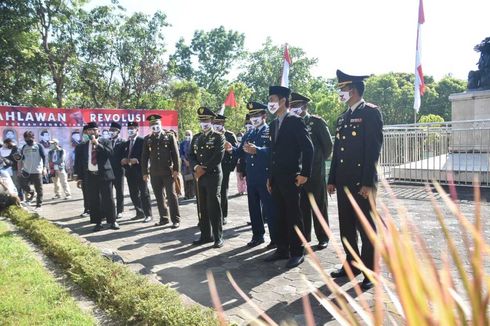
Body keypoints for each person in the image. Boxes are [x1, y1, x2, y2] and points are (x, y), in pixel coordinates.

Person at [327, 69, 383, 290]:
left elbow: (373, 150)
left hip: (362, 183)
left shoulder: (370, 113)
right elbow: (338, 153)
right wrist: (331, 179)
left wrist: (368, 182)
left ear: (354, 90)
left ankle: (370, 271)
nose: (340, 92)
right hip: (343, 182)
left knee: (367, 227)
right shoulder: (343, 117)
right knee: (347, 226)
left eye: (343, 88)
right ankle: (351, 264)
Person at [265, 86, 314, 268]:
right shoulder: (273, 124)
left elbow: (308, 148)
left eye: (273, 99)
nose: (270, 103)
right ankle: (282, 248)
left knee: (294, 215)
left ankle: (297, 251)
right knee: (279, 215)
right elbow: (273, 153)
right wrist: (270, 177)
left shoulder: (295, 121)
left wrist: (304, 173)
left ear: (283, 101)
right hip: (277, 178)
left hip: (292, 177)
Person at [227, 102, 278, 248]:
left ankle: (275, 238)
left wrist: (258, 150)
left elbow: (274, 152)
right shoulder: (249, 133)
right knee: (253, 207)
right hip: (252, 177)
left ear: (264, 116)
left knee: (269, 209)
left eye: (257, 115)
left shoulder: (270, 131)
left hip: (265, 176)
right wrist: (231, 149)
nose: (254, 118)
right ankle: (258, 235)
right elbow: (240, 152)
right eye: (252, 116)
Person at [290, 92, 333, 250]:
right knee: (302, 207)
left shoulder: (316, 122)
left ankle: (323, 236)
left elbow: (328, 146)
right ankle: (305, 236)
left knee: (319, 206)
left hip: (315, 173)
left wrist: (318, 161)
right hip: (298, 173)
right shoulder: (291, 123)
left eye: (297, 105)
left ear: (305, 106)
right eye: (291, 105)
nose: (294, 108)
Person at [189, 107, 225, 248]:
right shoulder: (197, 137)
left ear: (212, 120)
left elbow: (218, 156)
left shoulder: (218, 137)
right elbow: (191, 155)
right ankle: (205, 236)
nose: (204, 122)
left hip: (213, 175)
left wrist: (204, 169)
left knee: (213, 206)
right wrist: (196, 167)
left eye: (207, 120)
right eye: (201, 120)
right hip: (200, 175)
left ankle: (218, 237)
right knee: (202, 206)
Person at [75, 122, 119, 231]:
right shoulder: (82, 146)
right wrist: (79, 177)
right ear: (86, 132)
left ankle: (112, 221)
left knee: (108, 199)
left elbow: (110, 153)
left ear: (98, 131)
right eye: (90, 130)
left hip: (104, 175)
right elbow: (79, 162)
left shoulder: (106, 141)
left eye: (94, 130)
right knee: (93, 200)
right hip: (90, 176)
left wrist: (97, 144)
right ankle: (97, 223)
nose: (92, 132)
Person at [141, 114, 181, 228]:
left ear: (161, 124)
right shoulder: (148, 139)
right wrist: (144, 172)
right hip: (154, 172)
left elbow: (175, 154)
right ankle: (164, 218)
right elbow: (144, 157)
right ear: (150, 126)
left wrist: (176, 170)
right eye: (152, 124)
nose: (155, 126)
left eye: (157, 124)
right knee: (159, 196)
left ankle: (176, 219)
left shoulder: (169, 136)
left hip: (168, 172)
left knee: (171, 195)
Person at [120, 122, 153, 222]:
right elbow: (124, 155)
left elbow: (146, 155)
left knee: (144, 193)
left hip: (140, 171)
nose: (130, 130)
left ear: (137, 129)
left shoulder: (142, 141)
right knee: (133, 193)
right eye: (129, 128)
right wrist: (124, 160)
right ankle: (139, 212)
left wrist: (137, 160)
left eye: (132, 128)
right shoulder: (126, 143)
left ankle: (148, 214)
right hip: (130, 172)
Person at [213, 114, 238, 225]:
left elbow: (236, 152)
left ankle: (223, 215)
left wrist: (231, 167)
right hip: (212, 167)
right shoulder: (211, 135)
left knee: (223, 192)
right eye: (215, 123)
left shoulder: (229, 135)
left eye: (218, 123)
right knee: (212, 192)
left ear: (223, 123)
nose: (216, 125)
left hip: (224, 167)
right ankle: (212, 215)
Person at [19, 131, 47, 208]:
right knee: (22, 184)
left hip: (37, 171)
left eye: (29, 137)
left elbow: (44, 157)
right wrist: (20, 167)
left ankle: (39, 205)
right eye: (26, 138)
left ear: (33, 137)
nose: (28, 139)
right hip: (26, 170)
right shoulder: (24, 147)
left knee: (39, 188)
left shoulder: (39, 146)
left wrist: (44, 168)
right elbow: (21, 158)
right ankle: (31, 193)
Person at [108, 122, 125, 219]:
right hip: (109, 170)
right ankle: (110, 211)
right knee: (109, 192)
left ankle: (120, 211)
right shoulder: (106, 141)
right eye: (110, 130)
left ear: (118, 131)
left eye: (113, 130)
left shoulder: (122, 141)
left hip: (119, 170)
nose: (111, 132)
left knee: (119, 192)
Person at [73, 125, 91, 217]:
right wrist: (78, 176)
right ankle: (87, 209)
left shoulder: (97, 144)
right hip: (84, 174)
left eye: (88, 131)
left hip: (96, 173)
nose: (86, 134)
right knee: (86, 192)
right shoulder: (80, 146)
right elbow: (77, 162)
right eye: (85, 132)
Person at [179, 130, 195, 200]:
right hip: (184, 165)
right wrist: (185, 161)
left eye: (189, 134)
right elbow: (181, 153)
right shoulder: (182, 143)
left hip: (192, 164)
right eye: (186, 134)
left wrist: (190, 162)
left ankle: (192, 194)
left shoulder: (194, 143)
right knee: (186, 180)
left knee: (192, 179)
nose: (187, 135)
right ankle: (186, 195)